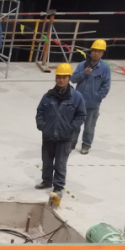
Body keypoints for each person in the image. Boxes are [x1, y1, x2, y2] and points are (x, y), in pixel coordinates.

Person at [35, 63, 86, 200]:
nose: (61, 80)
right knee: (47, 161)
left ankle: (58, 186)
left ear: (69, 78)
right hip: (48, 135)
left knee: (60, 163)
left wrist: (71, 127)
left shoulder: (76, 97)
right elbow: (40, 112)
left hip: (65, 137)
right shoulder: (48, 96)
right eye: (59, 77)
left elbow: (81, 115)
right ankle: (47, 181)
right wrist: (42, 126)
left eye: (64, 77)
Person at [69, 39, 111, 154]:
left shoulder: (105, 68)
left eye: (99, 51)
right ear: (91, 51)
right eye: (94, 50)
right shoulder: (82, 65)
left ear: (102, 53)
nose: (96, 53)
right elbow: (73, 79)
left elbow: (106, 85)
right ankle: (71, 143)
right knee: (75, 125)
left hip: (93, 104)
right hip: (78, 103)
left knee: (89, 127)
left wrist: (98, 97)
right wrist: (84, 73)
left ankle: (86, 145)